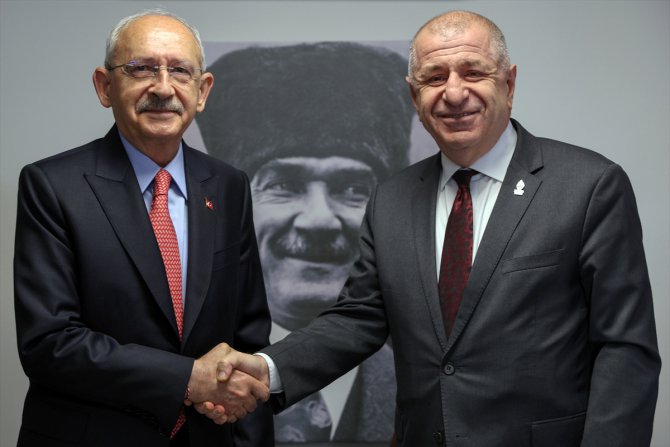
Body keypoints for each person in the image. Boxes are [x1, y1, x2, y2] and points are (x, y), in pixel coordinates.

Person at [199, 10, 662, 447]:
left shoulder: (587, 186)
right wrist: (265, 369)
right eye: (434, 78)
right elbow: (359, 319)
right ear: (413, 94)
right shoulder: (392, 199)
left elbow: (625, 350)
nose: (454, 93)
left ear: (509, 83)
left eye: (473, 72)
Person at [13, 9, 273, 447]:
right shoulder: (53, 186)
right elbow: (49, 343)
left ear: (202, 91)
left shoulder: (228, 186)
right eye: (142, 69)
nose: (164, 88)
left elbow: (249, 336)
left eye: (180, 71)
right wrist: (187, 379)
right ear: (104, 86)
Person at [195, 42, 415, 442]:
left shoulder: (426, 381)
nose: (319, 220)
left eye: (352, 188)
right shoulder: (182, 368)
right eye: (284, 184)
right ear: (235, 208)